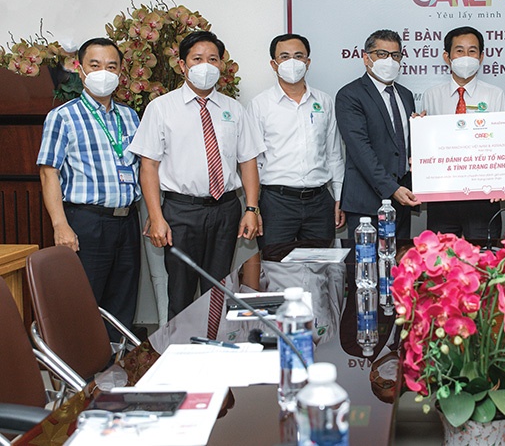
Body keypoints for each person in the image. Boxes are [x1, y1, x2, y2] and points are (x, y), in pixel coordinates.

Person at [129, 30, 264, 319]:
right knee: (180, 293)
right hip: (181, 212)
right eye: (197, 59)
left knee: (219, 291)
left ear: (222, 64)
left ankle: (216, 343)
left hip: (226, 210)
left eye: (213, 59)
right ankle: (180, 346)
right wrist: (156, 217)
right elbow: (148, 166)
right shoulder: (161, 108)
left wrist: (251, 209)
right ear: (182, 65)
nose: (206, 66)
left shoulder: (234, 109)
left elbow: (248, 161)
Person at [37, 37, 141, 332]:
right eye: (95, 66)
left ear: (120, 73)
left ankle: (118, 360)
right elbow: (48, 173)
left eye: (111, 66)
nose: (103, 73)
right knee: (83, 305)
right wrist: (60, 225)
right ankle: (82, 363)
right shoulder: (63, 116)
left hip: (127, 221)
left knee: (122, 305)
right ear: (80, 70)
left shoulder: (129, 117)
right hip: (87, 223)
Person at [247, 33, 345, 245]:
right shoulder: (260, 105)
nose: (292, 62)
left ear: (307, 62)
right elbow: (253, 162)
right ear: (274, 64)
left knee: (320, 263)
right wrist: (253, 208)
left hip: (320, 203)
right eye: (284, 57)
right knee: (274, 264)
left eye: (298, 56)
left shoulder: (324, 101)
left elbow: (334, 155)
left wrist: (339, 197)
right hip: (276, 203)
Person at [421, 26, 505, 239]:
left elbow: (502, 142)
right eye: (459, 51)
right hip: (442, 196)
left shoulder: (495, 95)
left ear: (481, 57)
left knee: (484, 257)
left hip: (483, 195)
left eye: (472, 51)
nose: (466, 57)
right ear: (447, 57)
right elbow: (428, 144)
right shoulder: (431, 95)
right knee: (441, 256)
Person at [335, 29, 420, 238]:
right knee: (367, 259)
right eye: (382, 54)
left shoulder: (406, 95)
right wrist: (392, 189)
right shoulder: (350, 95)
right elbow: (360, 150)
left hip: (402, 200)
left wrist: (422, 132)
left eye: (395, 55)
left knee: (401, 257)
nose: (389, 61)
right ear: (366, 58)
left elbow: (402, 145)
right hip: (367, 204)